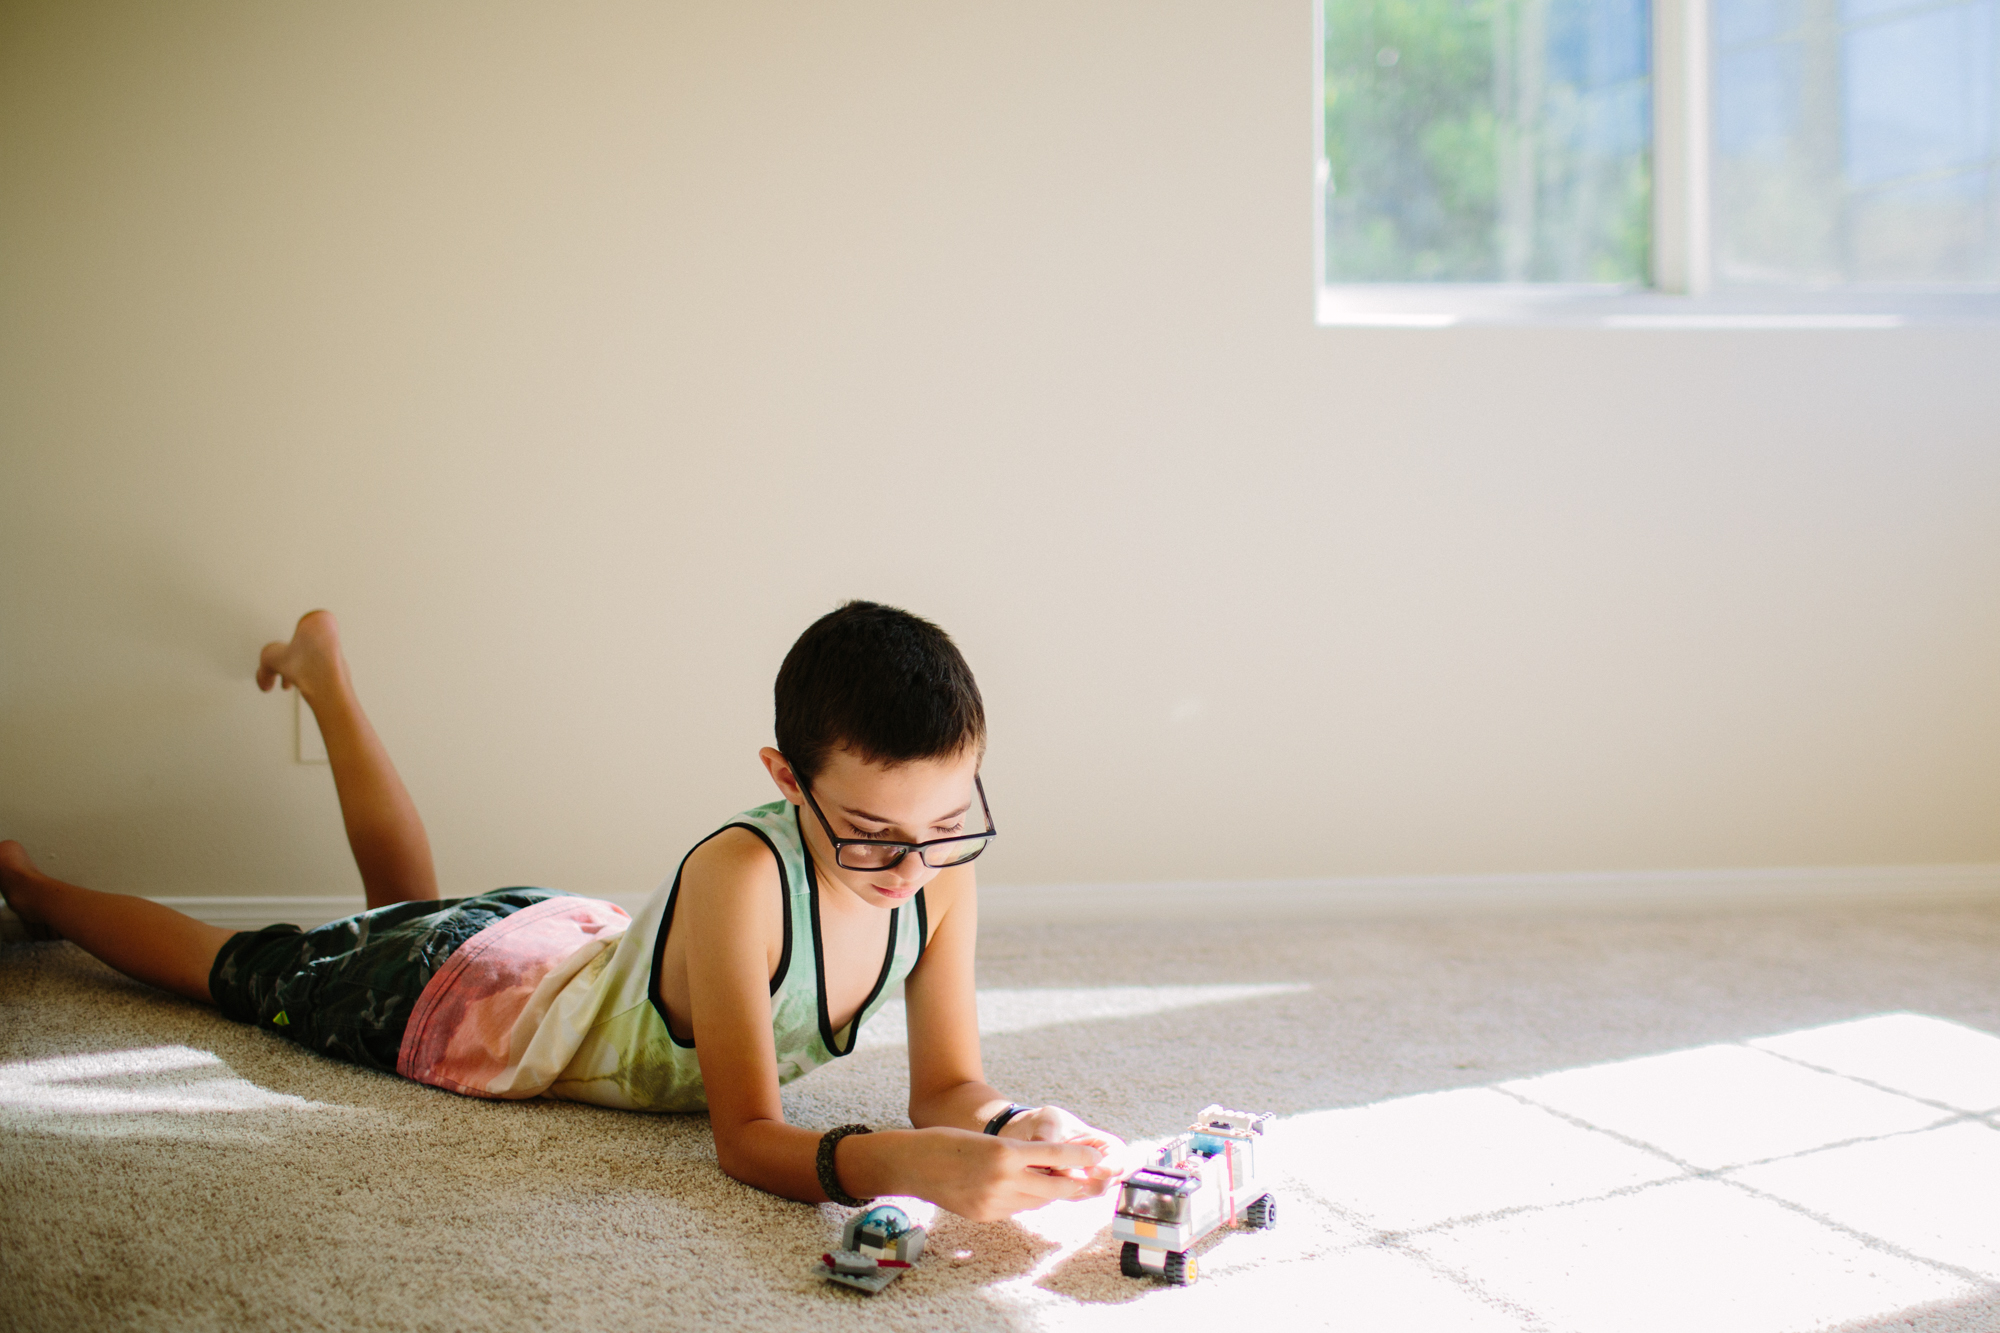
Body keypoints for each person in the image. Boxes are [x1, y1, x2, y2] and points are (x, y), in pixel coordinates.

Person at [0, 604, 1126, 1221]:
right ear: (786, 780)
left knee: (406, 905)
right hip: (483, 1003)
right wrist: (911, 1166)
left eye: (942, 822)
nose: (911, 860)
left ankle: (325, 674)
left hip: (568, 955)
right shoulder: (740, 875)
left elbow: (945, 1086)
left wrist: (1008, 1124)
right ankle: (30, 881)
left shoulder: (935, 873)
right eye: (874, 830)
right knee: (240, 968)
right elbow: (744, 1140)